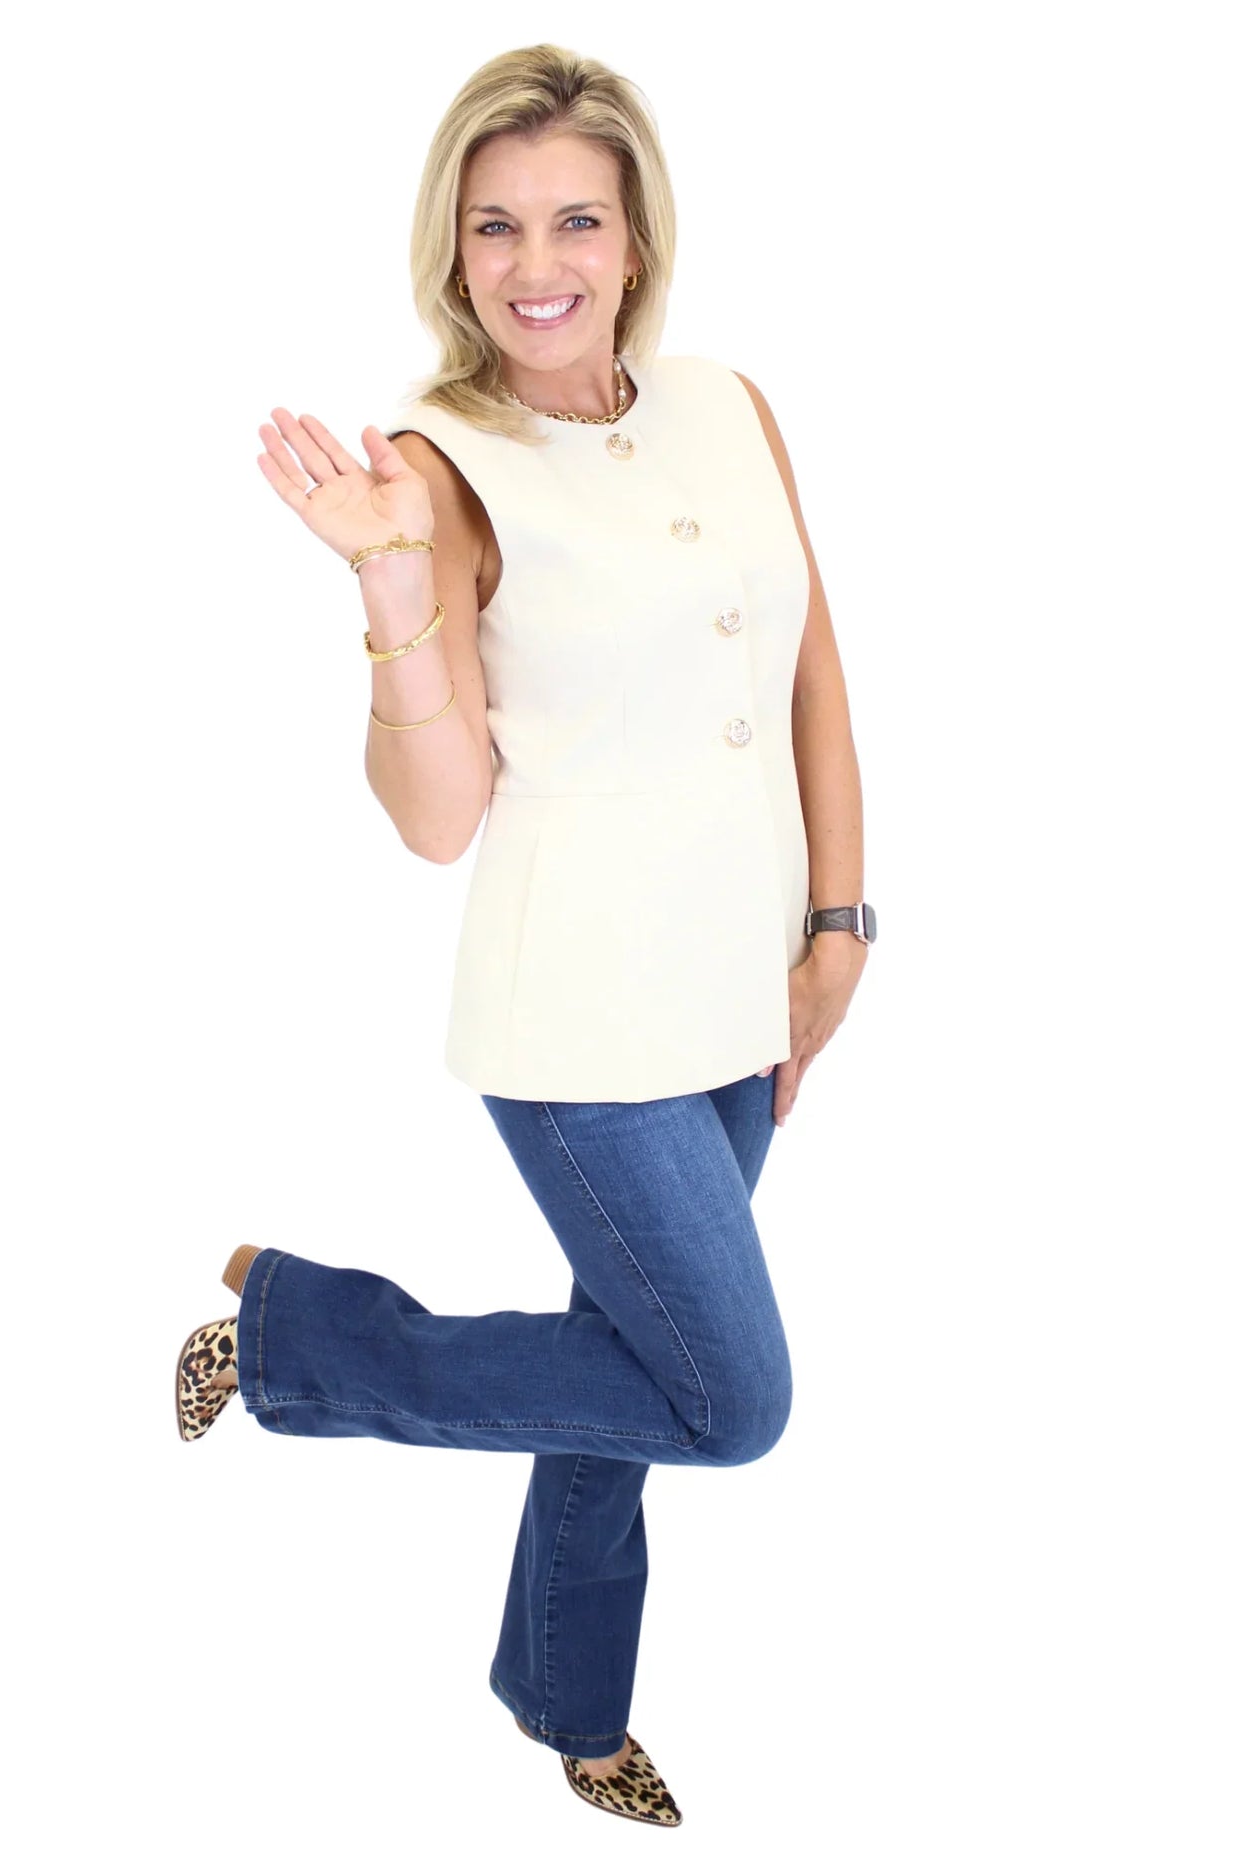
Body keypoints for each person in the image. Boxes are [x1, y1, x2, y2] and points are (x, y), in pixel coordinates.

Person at [174, 43, 874, 1828]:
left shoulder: (726, 399)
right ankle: (295, 1343)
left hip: (744, 982)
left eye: (573, 216)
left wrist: (841, 920)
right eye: (493, 225)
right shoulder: (443, 465)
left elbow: (806, 661)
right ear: (453, 248)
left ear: (636, 236)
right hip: (582, 1021)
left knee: (625, 1371)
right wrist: (397, 595)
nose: (533, 260)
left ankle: (568, 1700)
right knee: (725, 1400)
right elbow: (434, 816)